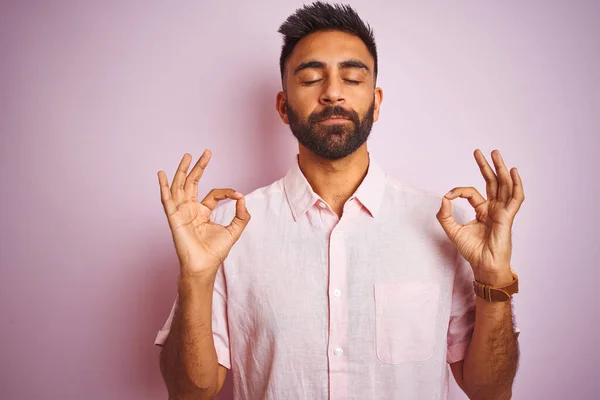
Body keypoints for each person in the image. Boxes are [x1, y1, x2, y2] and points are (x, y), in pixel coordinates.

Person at [154, 2, 523, 399]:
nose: (332, 93)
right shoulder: (229, 231)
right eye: (312, 78)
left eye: (351, 78)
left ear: (376, 102)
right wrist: (195, 278)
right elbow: (189, 393)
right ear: (283, 106)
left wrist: (494, 280)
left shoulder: (447, 225)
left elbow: (492, 392)